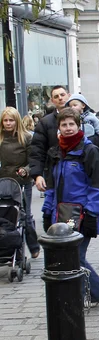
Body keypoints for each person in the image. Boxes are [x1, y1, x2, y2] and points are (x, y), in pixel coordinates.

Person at [41, 108, 99, 303]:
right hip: (60, 214)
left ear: (79, 126)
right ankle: (93, 292)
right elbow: (52, 185)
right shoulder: (56, 153)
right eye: (64, 125)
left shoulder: (89, 151)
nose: (68, 128)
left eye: (72, 124)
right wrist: (47, 211)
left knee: (75, 256)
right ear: (59, 128)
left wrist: (91, 213)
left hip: (81, 214)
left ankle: (85, 294)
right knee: (70, 256)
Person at [0, 107, 40, 258]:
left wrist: (26, 170)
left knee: (25, 215)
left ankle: (33, 246)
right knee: (6, 213)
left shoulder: (27, 137)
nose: (8, 123)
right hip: (4, 181)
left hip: (22, 181)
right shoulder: (1, 138)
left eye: (11, 120)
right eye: (5, 120)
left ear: (16, 121)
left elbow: (33, 160)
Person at [29, 85, 70, 192]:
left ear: (68, 96)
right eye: (56, 96)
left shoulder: (81, 118)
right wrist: (37, 175)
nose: (60, 98)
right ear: (52, 100)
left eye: (62, 95)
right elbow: (37, 150)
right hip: (54, 174)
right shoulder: (45, 122)